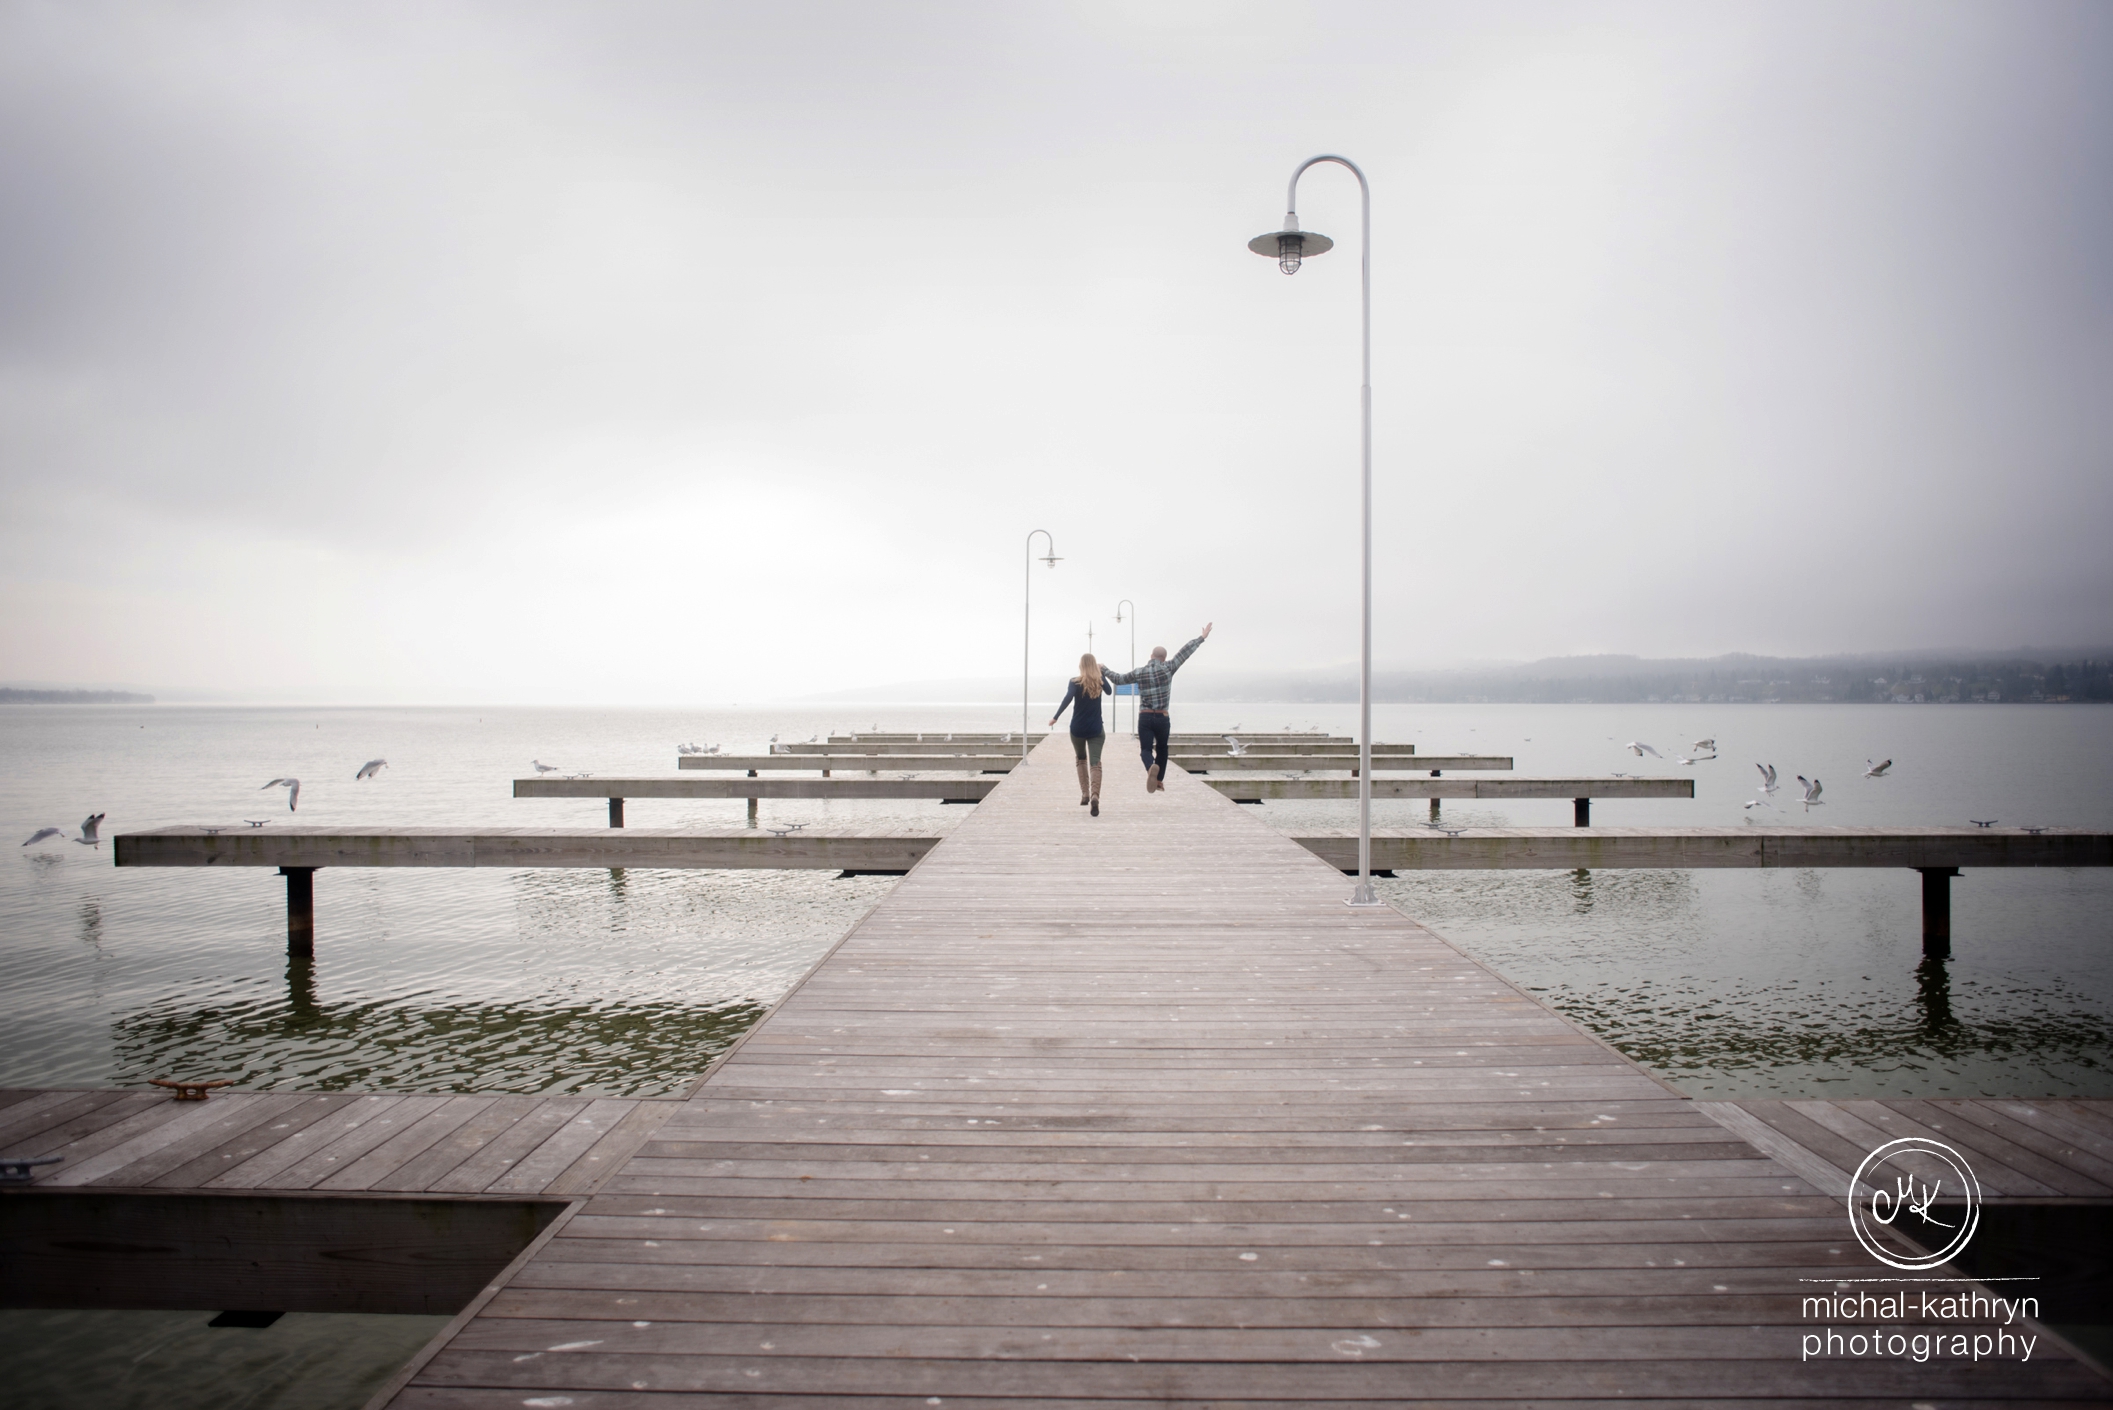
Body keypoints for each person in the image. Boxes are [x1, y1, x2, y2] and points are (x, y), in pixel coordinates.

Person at [1103, 622, 1211, 793]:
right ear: (1164, 658)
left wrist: (1104, 669)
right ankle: (1159, 779)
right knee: (1162, 749)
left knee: (1145, 750)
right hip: (1162, 717)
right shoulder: (1169, 667)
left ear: (1151, 656)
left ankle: (1150, 769)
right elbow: (1184, 653)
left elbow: (1118, 679)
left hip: (1145, 717)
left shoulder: (1140, 672)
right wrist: (1201, 638)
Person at [1049, 653, 1109, 816]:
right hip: (1096, 729)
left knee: (1081, 759)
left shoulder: (1074, 682)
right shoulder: (1099, 681)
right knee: (1095, 762)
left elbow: (1067, 698)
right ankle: (1095, 796)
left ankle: (1085, 794)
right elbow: (1109, 691)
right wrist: (1102, 673)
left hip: (1077, 729)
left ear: (1081, 666)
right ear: (1094, 665)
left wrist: (1056, 716)